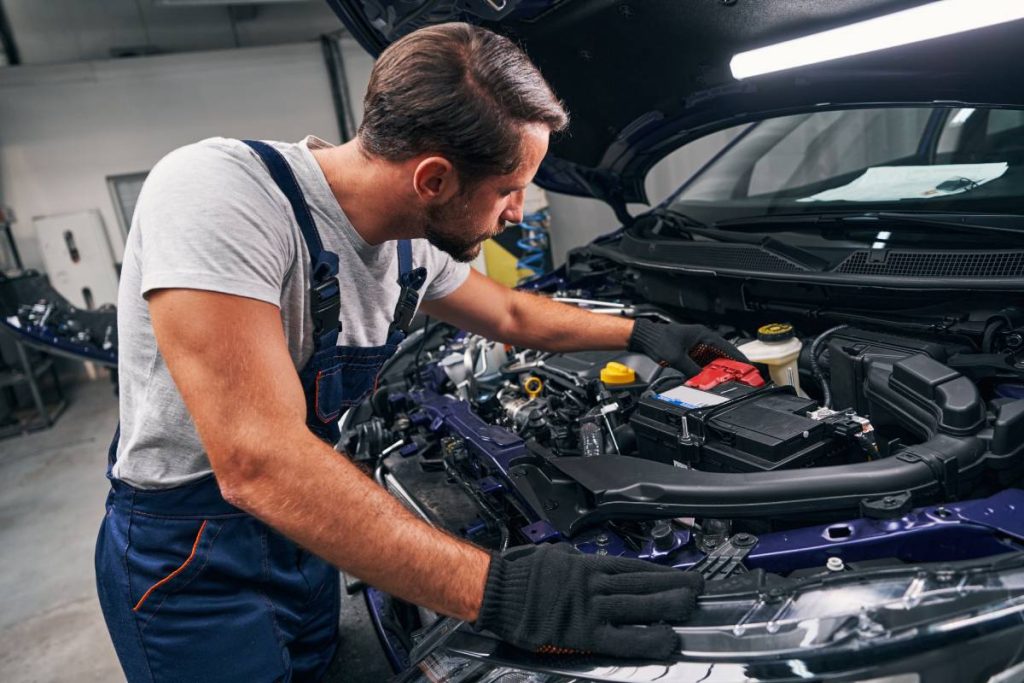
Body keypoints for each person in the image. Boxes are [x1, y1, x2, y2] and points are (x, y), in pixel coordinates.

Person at [95, 22, 740, 682]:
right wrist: (502, 590)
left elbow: (513, 313)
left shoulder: (411, 244)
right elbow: (256, 460)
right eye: (508, 189)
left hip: (302, 535)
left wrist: (640, 332)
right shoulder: (220, 192)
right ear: (433, 179)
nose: (518, 212)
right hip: (191, 559)